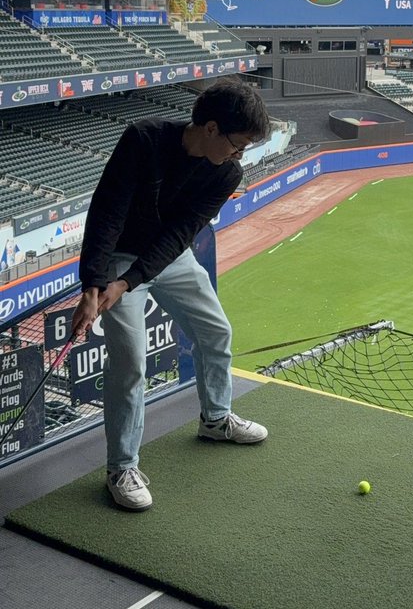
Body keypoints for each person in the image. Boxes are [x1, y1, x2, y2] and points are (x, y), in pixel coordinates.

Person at [71, 77, 271, 512]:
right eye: (238, 145)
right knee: (130, 361)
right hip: (119, 256)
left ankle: (215, 419)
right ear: (211, 128)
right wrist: (94, 284)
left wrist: (129, 282)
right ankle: (121, 467)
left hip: (169, 258)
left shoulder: (227, 172)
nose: (240, 156)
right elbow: (107, 213)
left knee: (216, 331)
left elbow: (181, 232)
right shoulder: (144, 139)